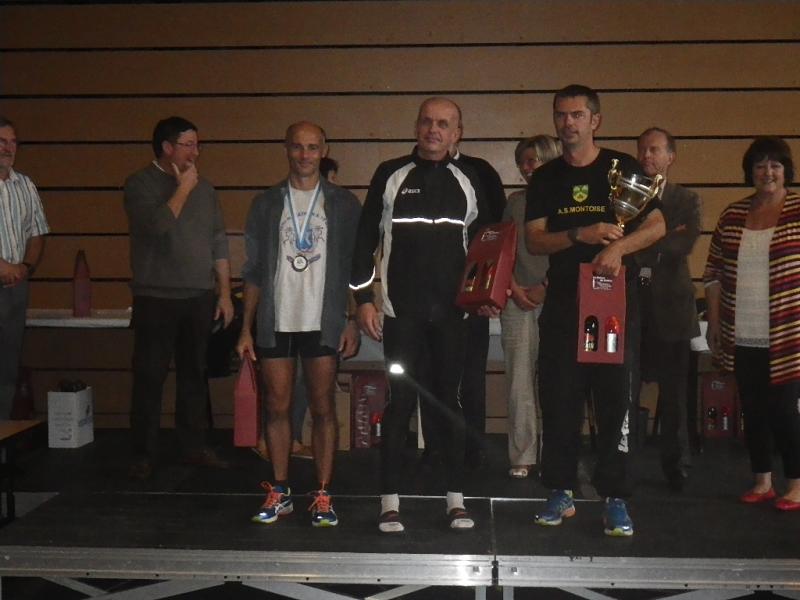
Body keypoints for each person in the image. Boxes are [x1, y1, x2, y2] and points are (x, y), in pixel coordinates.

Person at [525, 84, 665, 537]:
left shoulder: (622, 168)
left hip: (614, 302)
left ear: (595, 120)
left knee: (615, 402)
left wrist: (618, 248)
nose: (568, 123)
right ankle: (560, 489)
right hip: (564, 303)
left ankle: (616, 497)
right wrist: (579, 236)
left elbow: (657, 225)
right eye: (561, 115)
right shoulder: (545, 177)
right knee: (559, 400)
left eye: (577, 115)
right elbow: (534, 240)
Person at [351, 97, 490, 533]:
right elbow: (364, 241)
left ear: (457, 133)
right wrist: (364, 299)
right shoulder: (390, 175)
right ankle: (389, 502)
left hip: (452, 318)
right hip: (402, 316)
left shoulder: (470, 179)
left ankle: (456, 500)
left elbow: (486, 248)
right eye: (427, 122)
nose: (434, 130)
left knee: (449, 405)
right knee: (400, 404)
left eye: (444, 124)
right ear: (416, 127)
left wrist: (484, 295)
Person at [236, 121, 360, 528]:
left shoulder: (343, 203)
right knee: (277, 407)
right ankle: (281, 490)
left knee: (323, 408)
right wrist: (246, 328)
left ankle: (323, 493)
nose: (305, 155)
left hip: (323, 320)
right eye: (297, 147)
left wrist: (353, 319)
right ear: (286, 150)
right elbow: (253, 270)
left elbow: (357, 268)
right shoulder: (266, 203)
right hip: (277, 319)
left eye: (312, 147)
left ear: (324, 150)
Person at [124, 116, 234, 480]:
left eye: (197, 145)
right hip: (155, 296)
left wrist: (224, 292)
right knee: (149, 377)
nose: (196, 152)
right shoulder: (140, 184)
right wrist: (183, 188)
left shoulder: (206, 188)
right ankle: (142, 453)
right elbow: (156, 226)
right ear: (167, 147)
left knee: (194, 375)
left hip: (199, 295)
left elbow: (218, 239)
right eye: (188, 145)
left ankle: (193, 447)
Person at [704, 136, 800, 511]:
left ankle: (796, 483)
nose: (768, 172)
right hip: (742, 332)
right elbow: (713, 273)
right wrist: (714, 323)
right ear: (750, 172)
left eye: (775, 165)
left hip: (790, 335)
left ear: (786, 170)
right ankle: (762, 481)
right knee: (753, 410)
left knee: (786, 411)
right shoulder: (732, 216)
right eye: (760, 165)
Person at [635, 127, 702, 492]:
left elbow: (683, 243)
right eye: (642, 150)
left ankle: (677, 466)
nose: (647, 155)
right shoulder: (625, 197)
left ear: (670, 157)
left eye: (655, 149)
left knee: (675, 395)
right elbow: (621, 245)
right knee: (624, 390)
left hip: (673, 309)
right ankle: (623, 461)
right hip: (632, 306)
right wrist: (662, 237)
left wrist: (642, 244)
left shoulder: (686, 199)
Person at [501, 135, 560, 479]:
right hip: (517, 299)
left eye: (533, 160)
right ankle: (522, 455)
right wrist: (511, 287)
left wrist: (546, 289)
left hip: (558, 297)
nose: (527, 168)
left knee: (557, 381)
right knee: (518, 381)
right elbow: (502, 249)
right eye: (523, 161)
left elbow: (573, 251)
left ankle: (556, 453)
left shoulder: (568, 200)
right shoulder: (515, 202)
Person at [0, 116, 49, 419]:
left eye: (13, 142)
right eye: (1, 142)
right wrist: (2, 266)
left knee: (7, 369)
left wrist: (25, 267)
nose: (8, 148)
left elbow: (37, 233)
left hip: (16, 288)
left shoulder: (26, 185)